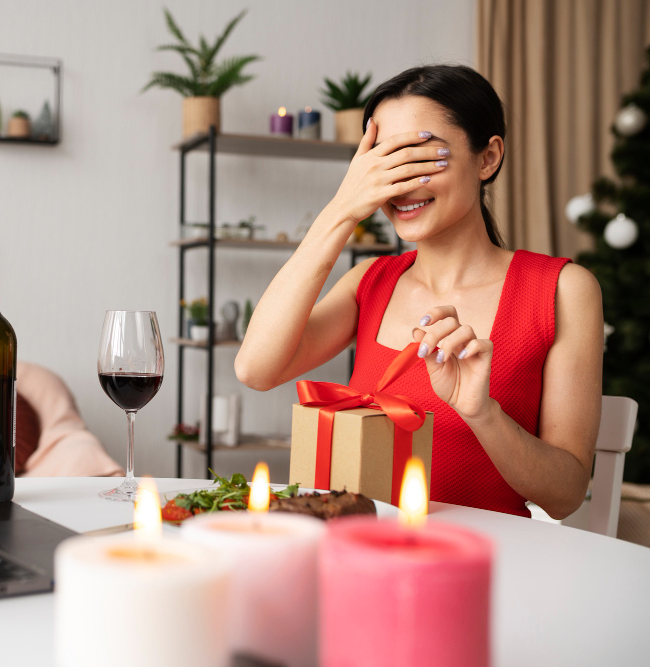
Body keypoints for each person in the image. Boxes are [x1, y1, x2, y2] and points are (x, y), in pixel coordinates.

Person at [235, 65, 603, 519]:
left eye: (422, 157)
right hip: (362, 553)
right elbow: (255, 369)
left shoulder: (563, 290)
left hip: (489, 563)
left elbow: (565, 496)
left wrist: (483, 413)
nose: (400, 183)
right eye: (384, 162)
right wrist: (341, 211)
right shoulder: (371, 280)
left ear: (487, 158)